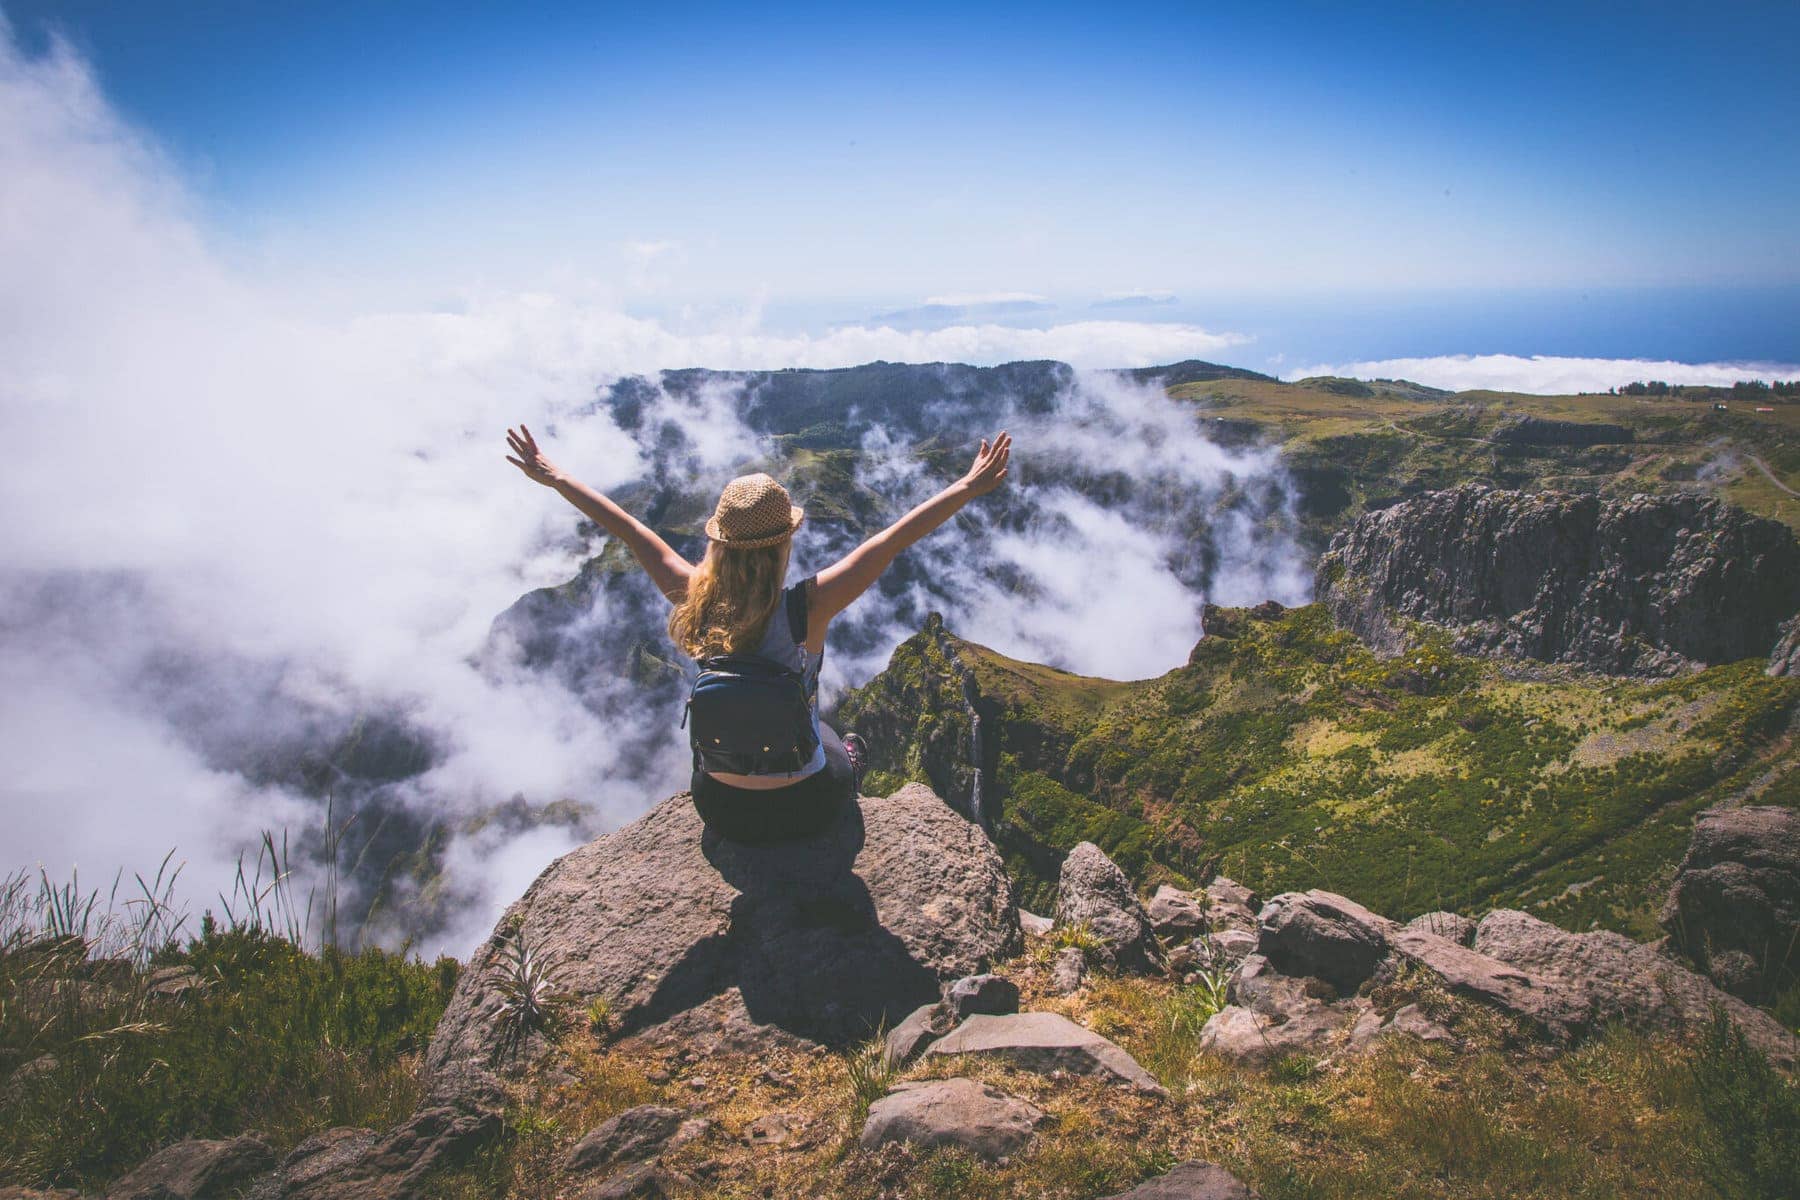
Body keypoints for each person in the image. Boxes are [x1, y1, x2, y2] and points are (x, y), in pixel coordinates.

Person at [504, 423, 1012, 843]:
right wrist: (967, 487)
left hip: (719, 807)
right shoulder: (807, 607)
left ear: (719, 544)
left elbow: (630, 529)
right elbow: (890, 541)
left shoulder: (695, 598)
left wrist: (556, 477)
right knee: (837, 739)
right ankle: (848, 766)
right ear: (783, 543)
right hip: (805, 808)